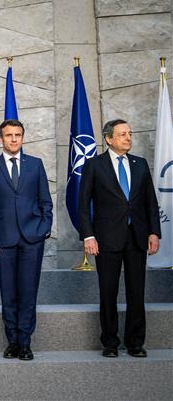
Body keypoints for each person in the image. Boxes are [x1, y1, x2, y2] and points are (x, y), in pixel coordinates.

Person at [78, 119, 160, 358]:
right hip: (106, 238)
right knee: (108, 292)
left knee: (137, 292)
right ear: (108, 139)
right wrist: (88, 236)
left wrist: (154, 232)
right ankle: (110, 343)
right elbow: (83, 204)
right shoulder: (94, 165)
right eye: (122, 134)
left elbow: (150, 202)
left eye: (130, 133)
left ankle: (135, 343)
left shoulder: (140, 164)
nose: (128, 138)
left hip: (137, 238)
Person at [0, 119, 53, 361]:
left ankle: (25, 343)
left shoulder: (35, 165)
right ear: (1, 138)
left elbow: (46, 201)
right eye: (9, 135)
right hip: (2, 241)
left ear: (22, 137)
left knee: (28, 293)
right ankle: (12, 342)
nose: (13, 139)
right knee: (8, 293)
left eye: (17, 135)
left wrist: (43, 229)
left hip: (32, 239)